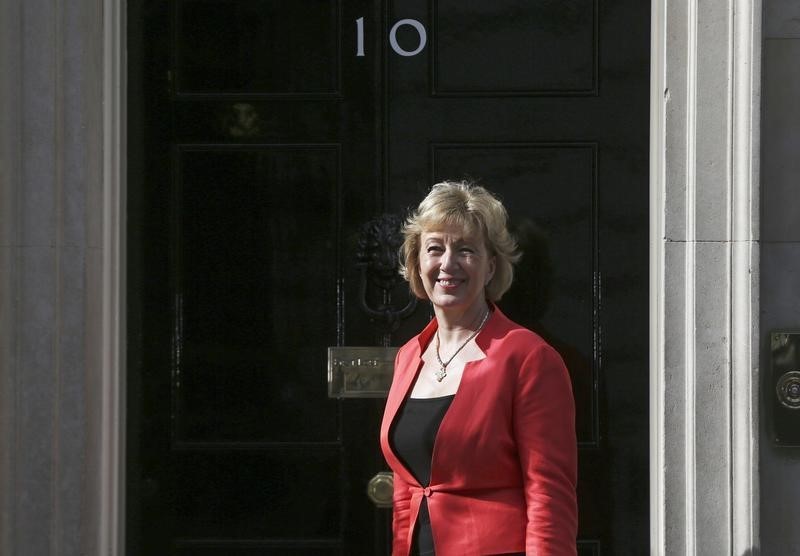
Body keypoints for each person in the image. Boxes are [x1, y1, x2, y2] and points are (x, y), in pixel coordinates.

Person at [379, 181, 577, 555]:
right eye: (435, 248)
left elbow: (548, 493)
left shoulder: (528, 358)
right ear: (416, 262)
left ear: (490, 267)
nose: (447, 264)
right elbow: (406, 490)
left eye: (466, 250)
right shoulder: (409, 356)